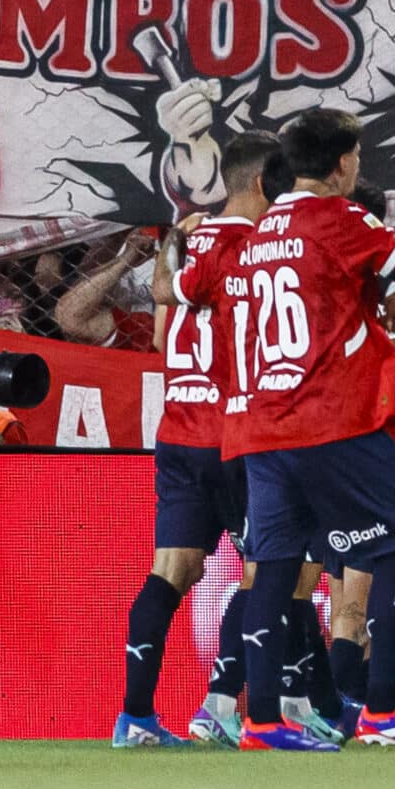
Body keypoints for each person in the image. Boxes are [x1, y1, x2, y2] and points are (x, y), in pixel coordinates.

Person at [230, 108, 395, 751]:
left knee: (273, 568)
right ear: (343, 164)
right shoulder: (345, 219)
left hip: (265, 425)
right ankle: (382, 711)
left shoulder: (258, 233)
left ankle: (262, 721)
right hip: (334, 419)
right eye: (355, 156)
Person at [91, 133, 282, 748]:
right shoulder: (257, 249)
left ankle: (135, 718)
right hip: (235, 433)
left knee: (171, 571)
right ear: (264, 184)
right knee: (263, 571)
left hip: (178, 429)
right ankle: (220, 707)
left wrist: (172, 242)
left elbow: (160, 331)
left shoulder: (189, 239)